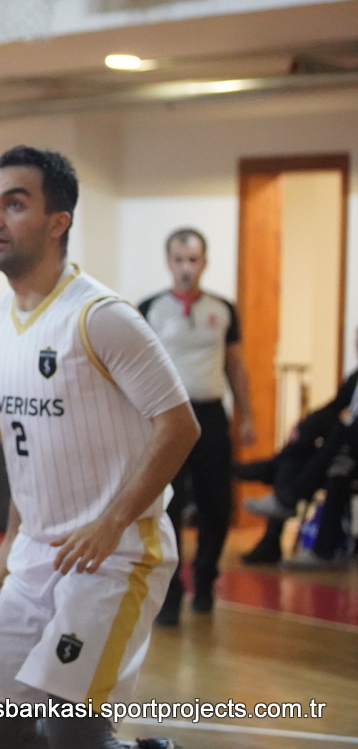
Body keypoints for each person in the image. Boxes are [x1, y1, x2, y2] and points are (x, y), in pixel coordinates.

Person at [0, 146, 197, 749]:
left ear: (57, 222)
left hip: (116, 553)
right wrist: (12, 536)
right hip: (36, 554)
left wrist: (110, 522)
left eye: (15, 205)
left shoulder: (101, 316)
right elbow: (24, 447)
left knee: (72, 732)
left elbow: (180, 427)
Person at [137, 228, 256, 624]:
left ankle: (205, 582)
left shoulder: (223, 309)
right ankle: (169, 592)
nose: (186, 267)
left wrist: (247, 415)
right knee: (167, 506)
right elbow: (136, 368)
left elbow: (235, 365)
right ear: (168, 262)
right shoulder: (149, 308)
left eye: (193, 259)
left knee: (215, 504)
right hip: (166, 418)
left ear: (204, 262)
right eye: (179, 260)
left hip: (210, 416)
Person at [242, 340, 358, 568]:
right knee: (308, 459)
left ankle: (275, 483)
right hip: (348, 453)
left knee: (340, 441)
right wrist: (302, 426)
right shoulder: (356, 377)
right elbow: (333, 407)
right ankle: (277, 535)